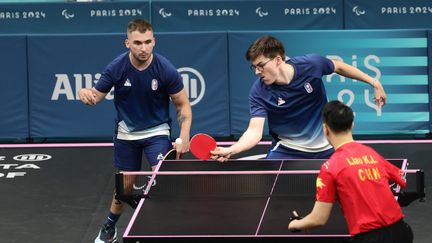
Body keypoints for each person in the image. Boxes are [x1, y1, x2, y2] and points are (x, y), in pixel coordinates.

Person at [78, 19, 192, 243]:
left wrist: (185, 135)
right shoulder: (116, 68)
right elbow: (96, 96)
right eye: (138, 42)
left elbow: (183, 106)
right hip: (126, 134)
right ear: (127, 43)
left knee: (162, 175)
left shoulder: (165, 69)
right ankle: (110, 226)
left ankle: (157, 227)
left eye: (148, 42)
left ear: (154, 41)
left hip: (157, 131)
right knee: (125, 187)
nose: (143, 48)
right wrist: (85, 92)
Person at [211, 35, 386, 162]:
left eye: (261, 66)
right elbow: (254, 132)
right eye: (254, 67)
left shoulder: (311, 65)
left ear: (278, 60)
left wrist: (374, 82)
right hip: (288, 150)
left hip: (329, 146)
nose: (257, 72)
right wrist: (232, 149)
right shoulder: (259, 91)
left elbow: (338, 67)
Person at [288, 100, 413, 243]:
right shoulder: (373, 154)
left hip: (369, 238)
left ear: (325, 129)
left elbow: (319, 219)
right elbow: (405, 180)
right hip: (401, 232)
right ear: (352, 125)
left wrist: (295, 224)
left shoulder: (330, 167)